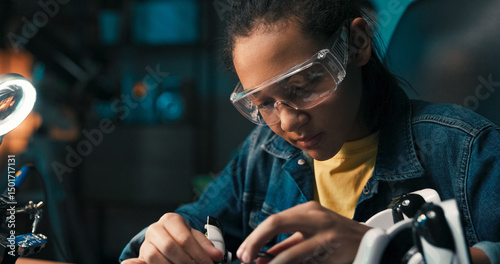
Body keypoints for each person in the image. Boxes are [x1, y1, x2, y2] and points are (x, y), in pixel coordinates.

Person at [120, 0, 500, 263]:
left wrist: (387, 251)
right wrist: (164, 239)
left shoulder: (465, 150)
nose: (286, 123)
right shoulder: (265, 153)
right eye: (264, 103)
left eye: (302, 88)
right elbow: (194, 225)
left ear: (357, 43)